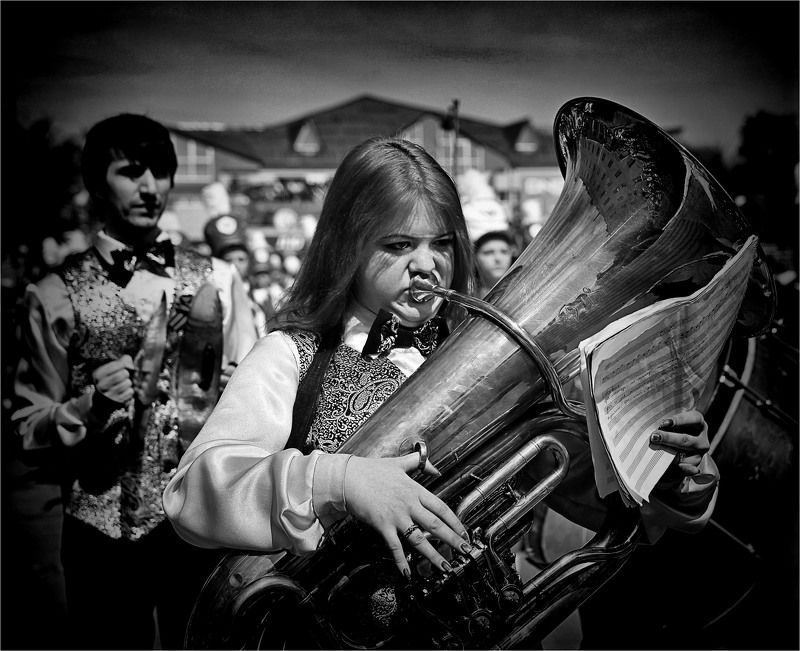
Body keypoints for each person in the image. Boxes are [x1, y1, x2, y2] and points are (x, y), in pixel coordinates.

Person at [162, 137, 718, 636]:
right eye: (397, 245)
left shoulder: (498, 370)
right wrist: (342, 478)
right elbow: (194, 491)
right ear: (346, 247)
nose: (426, 266)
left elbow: (605, 505)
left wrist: (667, 472)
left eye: (442, 244)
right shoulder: (292, 355)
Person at [12, 113, 258, 650]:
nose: (151, 187)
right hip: (99, 530)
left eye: (161, 172)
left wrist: (236, 392)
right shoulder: (54, 294)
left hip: (199, 521)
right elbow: (25, 426)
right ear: (99, 182)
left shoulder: (219, 278)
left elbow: (250, 394)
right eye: (132, 171)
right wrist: (86, 406)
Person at [204, 214, 271, 336]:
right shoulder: (213, 295)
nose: (235, 265)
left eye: (241, 259)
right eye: (228, 260)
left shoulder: (261, 295)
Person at [474, 229, 515, 297]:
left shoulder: (527, 292)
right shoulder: (465, 295)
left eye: (504, 252)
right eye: (488, 252)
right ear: (475, 257)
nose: (498, 258)